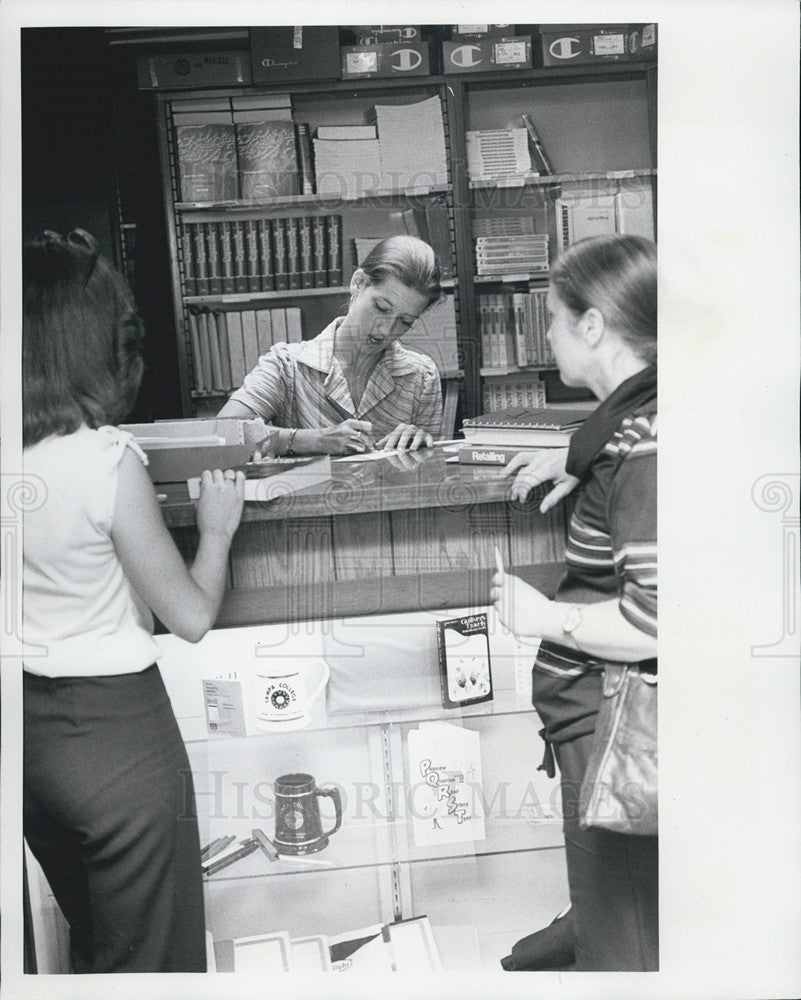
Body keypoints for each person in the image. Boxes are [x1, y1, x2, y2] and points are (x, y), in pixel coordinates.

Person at [22, 229, 245, 973]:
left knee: (92, 946)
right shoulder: (104, 460)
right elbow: (188, 617)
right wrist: (214, 532)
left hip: (26, 745)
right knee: (156, 960)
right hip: (116, 736)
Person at [491, 234, 658, 971]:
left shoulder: (647, 447)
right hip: (600, 724)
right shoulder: (631, 425)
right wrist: (580, 452)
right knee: (616, 918)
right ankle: (585, 922)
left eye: (556, 318)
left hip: (615, 734)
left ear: (593, 327)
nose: (547, 333)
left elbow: (658, 622)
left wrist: (543, 619)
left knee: (624, 955)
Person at [218, 234, 444, 454]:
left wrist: (423, 446)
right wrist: (313, 440)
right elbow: (223, 434)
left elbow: (432, 480)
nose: (386, 330)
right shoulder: (286, 367)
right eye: (382, 308)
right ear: (357, 283)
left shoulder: (422, 377)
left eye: (405, 321)